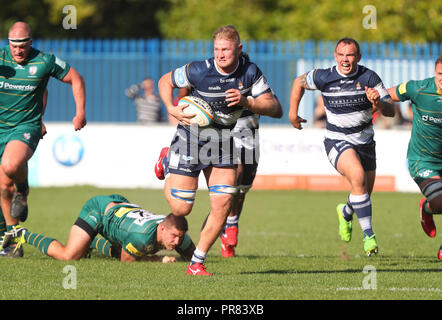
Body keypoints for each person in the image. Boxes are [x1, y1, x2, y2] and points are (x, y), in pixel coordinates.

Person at [155, 25, 282, 275]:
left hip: (223, 140)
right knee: (182, 209)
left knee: (224, 202)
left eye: (225, 49)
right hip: (190, 138)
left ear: (238, 48)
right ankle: (168, 158)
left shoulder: (250, 72)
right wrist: (170, 107)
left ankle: (196, 263)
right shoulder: (200, 69)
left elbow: (275, 108)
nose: (220, 54)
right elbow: (164, 81)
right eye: (217, 49)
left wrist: (249, 102)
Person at [289, 37, 395, 256]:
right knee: (357, 177)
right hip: (337, 140)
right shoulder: (324, 76)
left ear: (358, 57)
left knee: (362, 191)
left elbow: (391, 111)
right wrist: (292, 113)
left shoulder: (369, 77)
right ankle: (369, 237)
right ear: (335, 55)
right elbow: (298, 82)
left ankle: (346, 212)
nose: (346, 59)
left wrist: (378, 103)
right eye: (342, 55)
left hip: (365, 142)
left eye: (351, 55)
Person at [0, 21, 86, 254]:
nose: (18, 50)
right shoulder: (1, 59)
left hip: (25, 126)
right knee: (3, 187)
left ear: (30, 42)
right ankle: (12, 241)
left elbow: (76, 79)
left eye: (23, 45)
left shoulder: (44, 61)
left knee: (10, 165)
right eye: (13, 45)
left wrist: (79, 113)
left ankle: (23, 189)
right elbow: (42, 90)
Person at [0, 194, 195, 262]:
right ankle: (21, 234)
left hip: (122, 208)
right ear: (162, 228)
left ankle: (90, 241)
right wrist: (160, 259)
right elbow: (127, 261)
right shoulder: (142, 236)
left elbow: (192, 256)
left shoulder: (178, 233)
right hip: (99, 211)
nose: (177, 242)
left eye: (180, 237)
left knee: (124, 248)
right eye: (174, 236)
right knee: (70, 256)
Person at [387, 55, 442, 259]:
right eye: (440, 74)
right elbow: (387, 95)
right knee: (440, 202)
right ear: (434, 72)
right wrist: (373, 100)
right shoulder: (418, 88)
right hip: (423, 160)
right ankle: (427, 208)